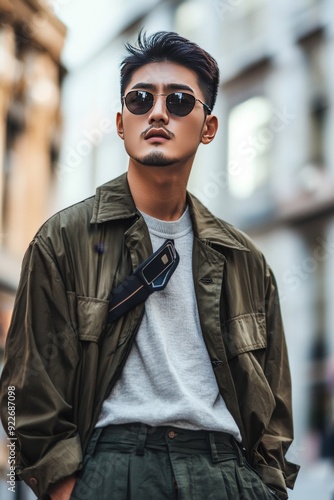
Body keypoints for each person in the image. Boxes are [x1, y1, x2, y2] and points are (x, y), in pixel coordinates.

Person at [0, 31, 299, 499]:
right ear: (121, 123)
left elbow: (275, 410)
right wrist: (62, 489)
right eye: (140, 100)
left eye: (180, 101)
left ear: (208, 127)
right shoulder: (62, 241)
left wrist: (268, 489)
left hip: (225, 472)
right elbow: (21, 393)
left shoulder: (246, 261)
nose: (157, 112)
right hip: (114, 468)